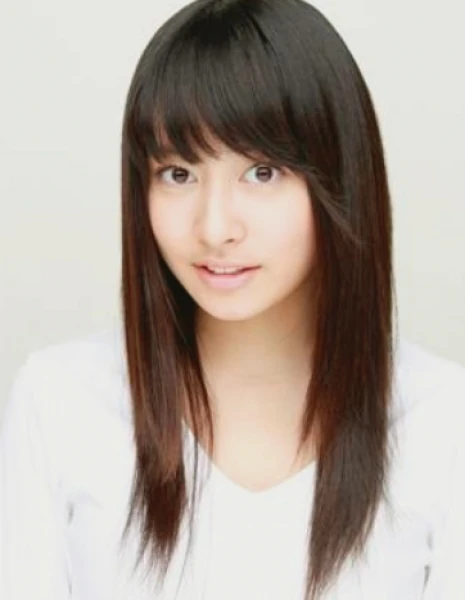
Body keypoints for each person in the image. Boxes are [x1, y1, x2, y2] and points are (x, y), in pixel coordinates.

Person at [1, 0, 465, 598]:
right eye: (178, 173)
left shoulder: (443, 425)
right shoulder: (60, 404)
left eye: (262, 172)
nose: (215, 227)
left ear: (341, 180)